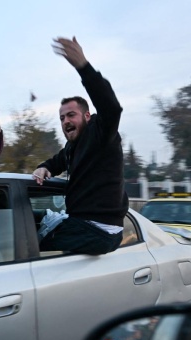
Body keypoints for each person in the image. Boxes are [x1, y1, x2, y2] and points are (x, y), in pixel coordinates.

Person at [32, 37, 128, 255]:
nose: (66, 121)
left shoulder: (101, 134)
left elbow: (111, 108)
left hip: (101, 231)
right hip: (81, 223)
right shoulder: (72, 147)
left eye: (71, 115)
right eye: (62, 118)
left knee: (28, 246)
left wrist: (83, 67)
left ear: (87, 115)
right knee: (28, 220)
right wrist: (44, 167)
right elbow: (56, 161)